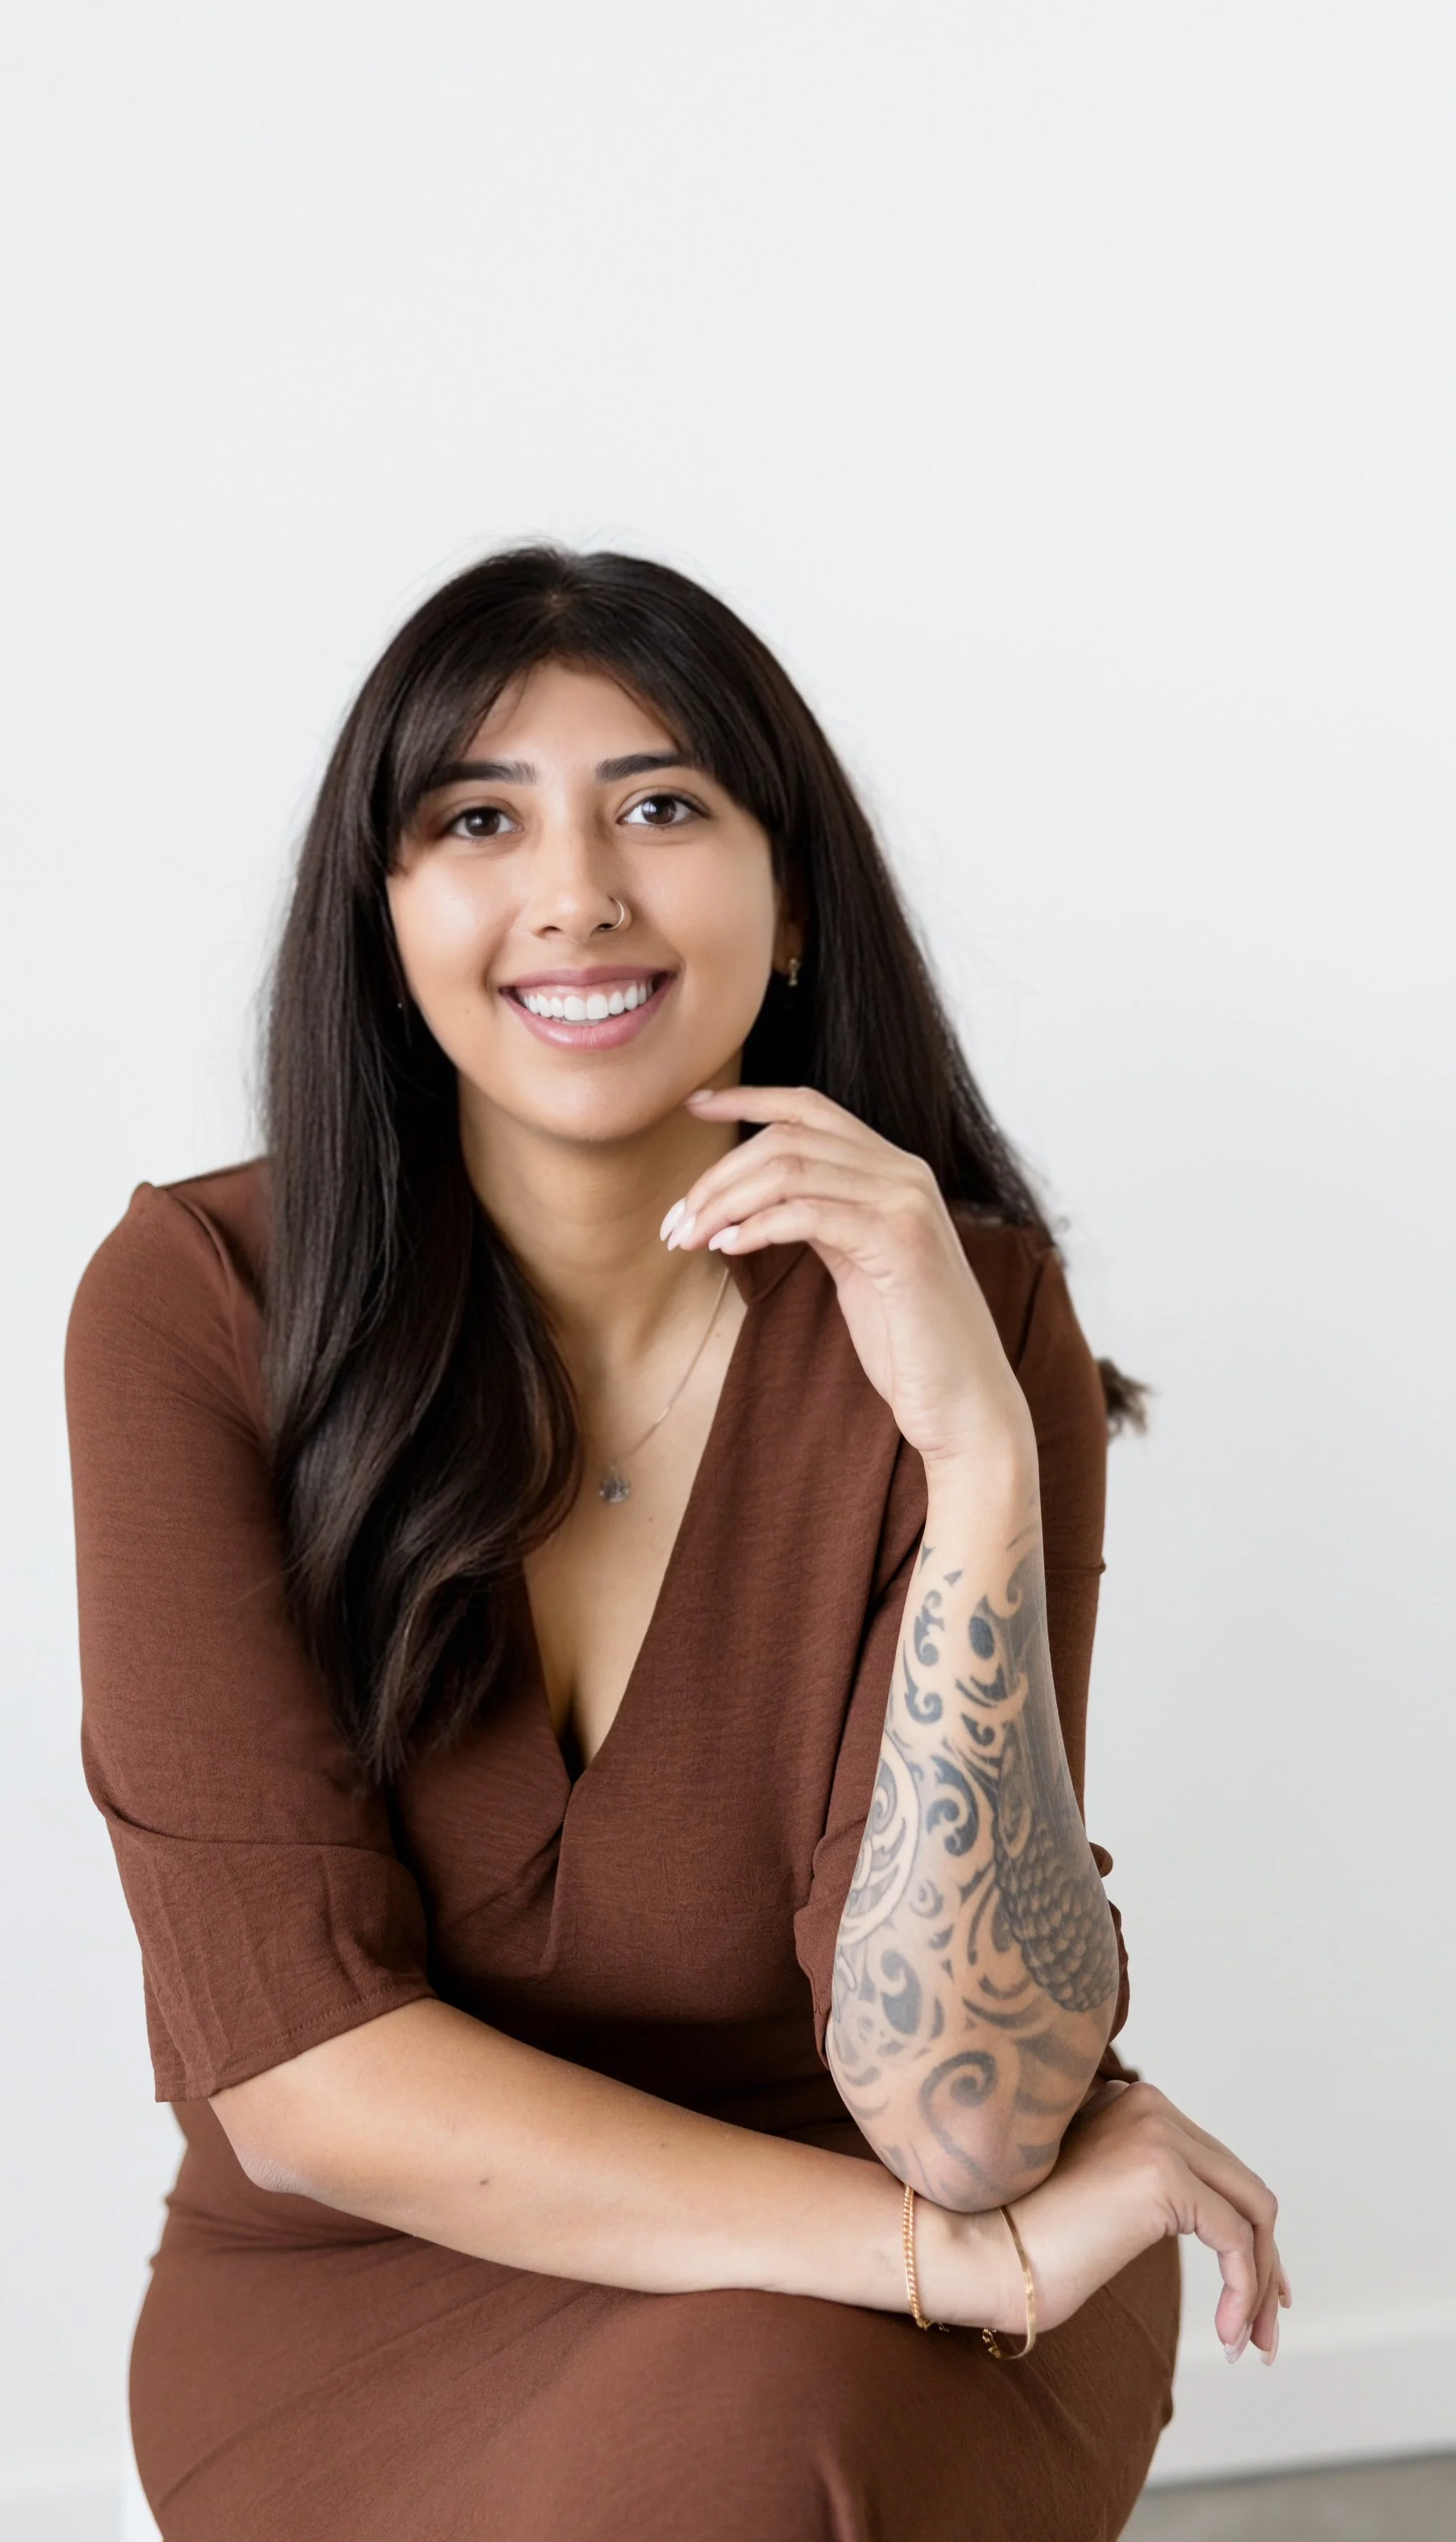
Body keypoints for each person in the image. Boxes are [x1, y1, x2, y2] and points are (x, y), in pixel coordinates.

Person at [65, 546, 1285, 2542]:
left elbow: (970, 2120)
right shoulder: (196, 1307)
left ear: (790, 896)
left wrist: (974, 1454)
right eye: (476, 817)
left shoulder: (970, 1316)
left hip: (878, 2269)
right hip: (372, 2293)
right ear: (383, 920)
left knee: (755, 2409)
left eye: (659, 804)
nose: (576, 892)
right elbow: (300, 2082)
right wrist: (939, 2254)